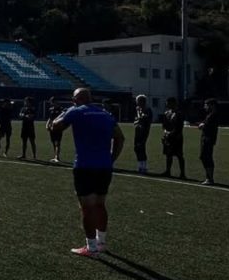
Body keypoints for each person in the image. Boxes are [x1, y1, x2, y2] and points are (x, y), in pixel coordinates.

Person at [50, 87, 125, 257]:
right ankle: (102, 242)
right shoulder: (105, 114)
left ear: (77, 99)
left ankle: (90, 248)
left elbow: (55, 127)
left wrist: (65, 113)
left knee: (86, 207)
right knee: (100, 204)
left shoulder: (76, 112)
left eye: (73, 99)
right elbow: (120, 137)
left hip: (85, 166)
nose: (72, 102)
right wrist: (111, 159)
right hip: (104, 167)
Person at [160, 97, 186, 179]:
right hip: (168, 137)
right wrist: (165, 132)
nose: (166, 104)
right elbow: (164, 125)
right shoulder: (166, 113)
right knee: (168, 154)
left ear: (173, 103)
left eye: (168, 102)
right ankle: (168, 171)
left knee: (179, 155)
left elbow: (179, 126)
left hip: (177, 137)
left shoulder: (179, 113)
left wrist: (172, 133)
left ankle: (182, 173)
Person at [197, 99, 220, 185]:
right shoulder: (210, 115)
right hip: (206, 138)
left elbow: (206, 125)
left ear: (212, 105)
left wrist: (202, 125)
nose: (204, 107)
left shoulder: (213, 115)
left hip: (208, 138)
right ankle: (208, 177)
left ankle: (209, 178)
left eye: (206, 105)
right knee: (204, 157)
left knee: (206, 157)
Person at [133, 94, 153, 174]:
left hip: (144, 131)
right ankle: (140, 165)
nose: (136, 102)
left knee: (141, 147)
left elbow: (146, 119)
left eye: (137, 101)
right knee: (136, 148)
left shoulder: (147, 110)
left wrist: (140, 117)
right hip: (137, 130)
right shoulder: (138, 109)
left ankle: (144, 166)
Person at [46, 97, 65, 163]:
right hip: (51, 128)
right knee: (54, 142)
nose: (51, 103)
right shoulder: (50, 109)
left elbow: (63, 118)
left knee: (57, 143)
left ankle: (57, 157)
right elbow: (50, 118)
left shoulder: (61, 109)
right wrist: (47, 125)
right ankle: (56, 156)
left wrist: (60, 126)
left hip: (58, 128)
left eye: (51, 102)